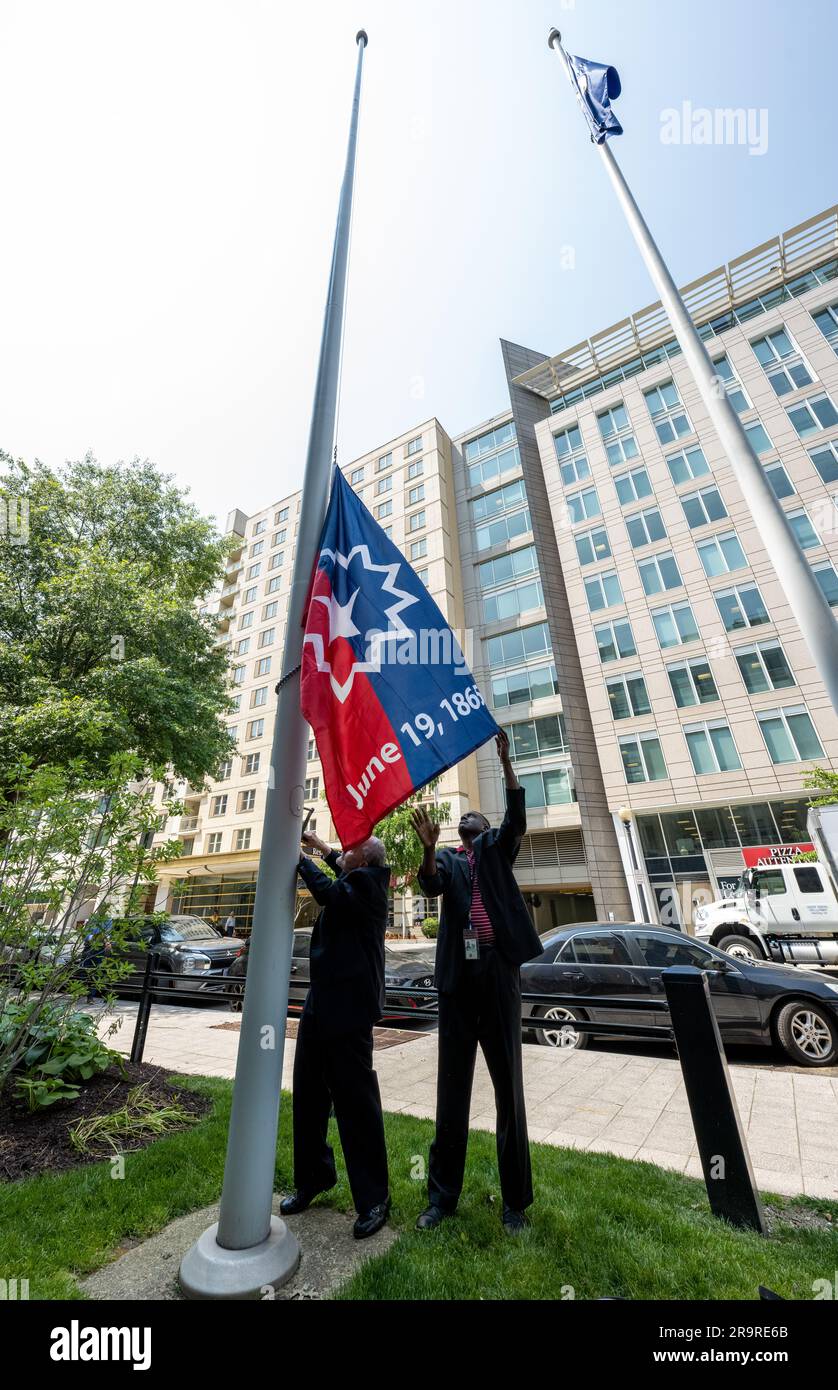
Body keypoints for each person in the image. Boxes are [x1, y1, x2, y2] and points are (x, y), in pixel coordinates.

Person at [411, 729, 542, 1234]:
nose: (466, 820)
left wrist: (508, 764)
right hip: (459, 983)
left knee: (509, 1088)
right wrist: (426, 850)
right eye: (462, 821)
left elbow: (517, 820)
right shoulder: (446, 857)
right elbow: (429, 885)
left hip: (499, 976)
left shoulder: (494, 847)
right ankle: (442, 1198)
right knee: (452, 1089)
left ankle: (515, 1204)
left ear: (483, 827)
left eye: (475, 818)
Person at [280, 831, 391, 1239]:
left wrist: (299, 856)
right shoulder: (357, 877)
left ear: (364, 861)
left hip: (350, 1010)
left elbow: (329, 891)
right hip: (321, 1004)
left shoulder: (371, 885)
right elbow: (339, 873)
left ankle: (375, 1198)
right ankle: (313, 1178)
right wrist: (319, 847)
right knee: (309, 1095)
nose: (342, 852)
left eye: (350, 849)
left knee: (356, 1106)